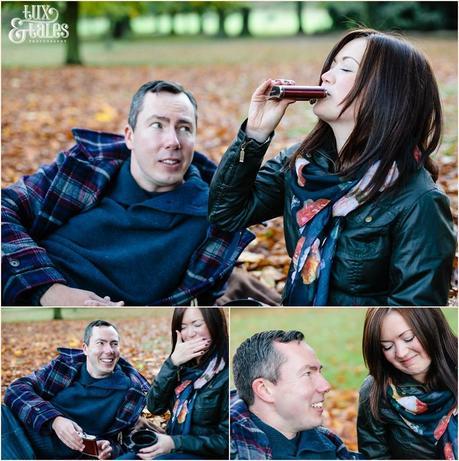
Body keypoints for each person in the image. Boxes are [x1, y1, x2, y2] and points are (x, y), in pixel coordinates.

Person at [208, 28, 456, 306]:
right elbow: (225, 214)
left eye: (346, 68)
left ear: (388, 93)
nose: (326, 75)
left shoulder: (418, 201)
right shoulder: (302, 167)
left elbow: (414, 311)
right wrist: (254, 135)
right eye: (332, 65)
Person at [1, 79, 261, 307]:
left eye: (184, 128)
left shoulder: (212, 217)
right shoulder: (85, 169)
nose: (173, 141)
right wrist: (48, 291)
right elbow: (5, 208)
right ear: (130, 136)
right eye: (157, 125)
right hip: (22, 282)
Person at [1, 320, 150, 460]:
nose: (109, 350)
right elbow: (16, 389)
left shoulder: (130, 392)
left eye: (114, 344)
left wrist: (109, 448)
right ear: (85, 348)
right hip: (17, 426)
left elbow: (129, 444)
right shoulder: (64, 367)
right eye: (101, 343)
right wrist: (55, 420)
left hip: (56, 453)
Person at [231, 329, 358, 459]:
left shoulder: (330, 446)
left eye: (319, 372)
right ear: (265, 389)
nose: (326, 386)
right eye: (308, 373)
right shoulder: (230, 449)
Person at [128, 307, 228, 460]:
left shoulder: (226, 374)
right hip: (173, 445)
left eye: (197, 324)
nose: (190, 333)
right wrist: (172, 364)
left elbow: (226, 444)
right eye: (183, 327)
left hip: (203, 454)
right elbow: (155, 406)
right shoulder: (181, 367)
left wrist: (175, 443)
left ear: (214, 324)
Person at [358, 308, 458, 459]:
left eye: (408, 338)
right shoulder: (375, 391)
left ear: (431, 326)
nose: (401, 353)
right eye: (387, 346)